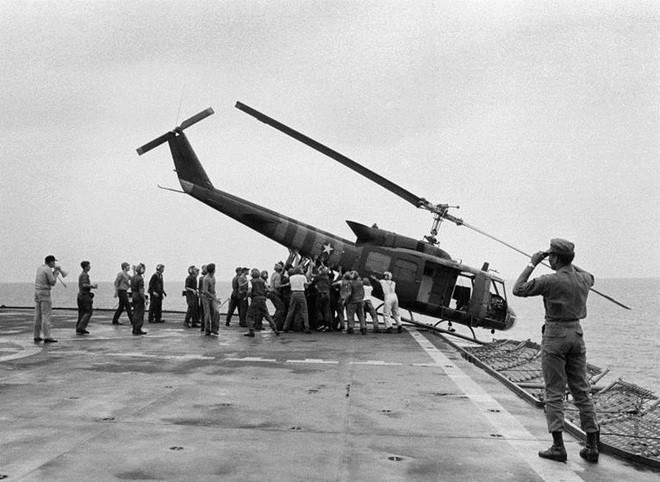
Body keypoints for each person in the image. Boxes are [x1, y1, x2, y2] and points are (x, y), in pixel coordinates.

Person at [512, 238, 600, 463]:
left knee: (554, 393)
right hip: (576, 336)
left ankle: (558, 447)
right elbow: (590, 276)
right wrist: (568, 263)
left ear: (555, 258)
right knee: (582, 391)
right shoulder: (584, 279)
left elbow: (518, 289)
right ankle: (592, 446)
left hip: (555, 335)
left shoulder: (550, 281)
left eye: (551, 255)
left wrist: (533, 263)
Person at [33, 255, 61, 343]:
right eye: (54, 262)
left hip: (37, 292)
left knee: (38, 315)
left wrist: (53, 273)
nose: (54, 264)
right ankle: (47, 336)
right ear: (51, 262)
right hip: (45, 293)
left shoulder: (40, 268)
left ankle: (36, 335)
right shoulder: (48, 269)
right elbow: (52, 282)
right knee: (46, 315)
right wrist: (55, 274)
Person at [244, 269, 280, 337]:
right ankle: (275, 329)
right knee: (267, 315)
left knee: (249, 316)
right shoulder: (263, 281)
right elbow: (269, 290)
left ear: (252, 275)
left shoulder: (251, 281)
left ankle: (251, 331)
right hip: (262, 300)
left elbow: (249, 291)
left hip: (255, 299)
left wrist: (246, 297)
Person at [283, 266, 311, 334]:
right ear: (300, 271)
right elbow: (306, 285)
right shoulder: (303, 277)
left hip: (293, 293)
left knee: (291, 310)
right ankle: (307, 327)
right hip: (301, 293)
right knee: (304, 310)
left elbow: (290, 284)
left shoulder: (291, 277)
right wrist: (310, 282)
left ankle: (285, 327)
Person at [76, 261, 98, 335]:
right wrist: (92, 286)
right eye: (89, 266)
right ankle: (81, 327)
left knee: (81, 312)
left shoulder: (82, 275)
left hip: (80, 295)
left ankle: (79, 327)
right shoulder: (85, 275)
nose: (90, 267)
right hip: (85, 295)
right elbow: (84, 285)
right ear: (86, 267)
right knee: (88, 311)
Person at [201, 263, 220, 336]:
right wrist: (214, 298)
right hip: (206, 297)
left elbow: (213, 288)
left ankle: (215, 329)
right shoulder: (206, 279)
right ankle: (207, 330)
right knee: (207, 314)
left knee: (216, 312)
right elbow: (205, 291)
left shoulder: (213, 277)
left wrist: (215, 297)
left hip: (212, 295)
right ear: (213, 270)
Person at [346, 271, 367, 335]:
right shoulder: (360, 283)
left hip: (352, 301)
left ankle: (351, 327)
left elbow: (349, 293)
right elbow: (363, 292)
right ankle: (363, 327)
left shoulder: (350, 283)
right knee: (361, 315)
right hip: (360, 300)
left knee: (350, 315)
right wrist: (361, 298)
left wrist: (345, 299)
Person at [130, 264, 148, 335]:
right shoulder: (140, 279)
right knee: (140, 313)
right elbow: (141, 290)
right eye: (143, 268)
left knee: (135, 312)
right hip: (138, 296)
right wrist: (144, 298)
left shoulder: (133, 277)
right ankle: (138, 328)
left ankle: (135, 328)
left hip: (134, 295)